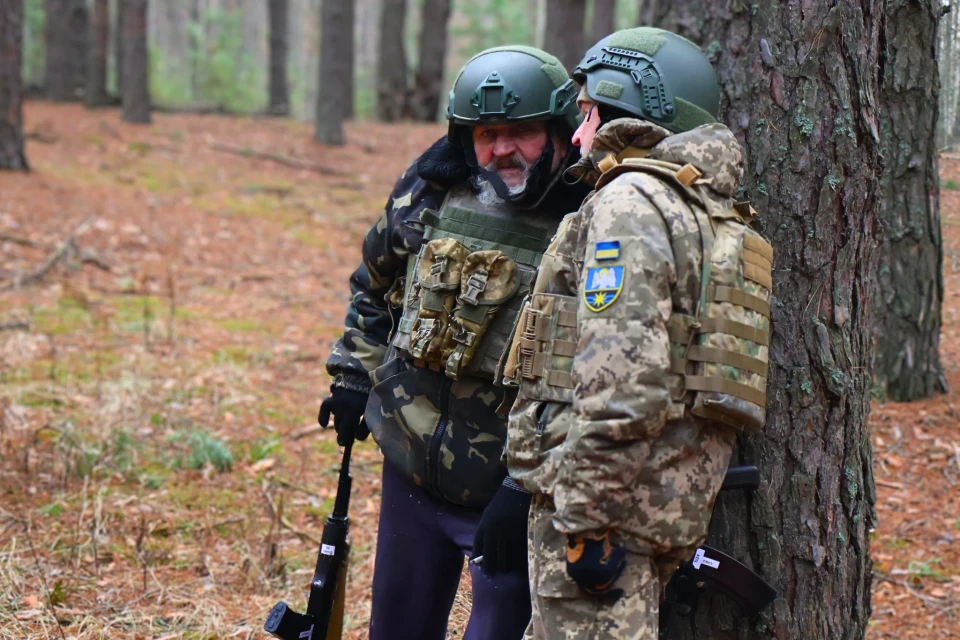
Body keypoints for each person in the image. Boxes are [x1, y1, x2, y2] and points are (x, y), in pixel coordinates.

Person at [502, 27, 773, 638]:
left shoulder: (629, 203)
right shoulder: (704, 211)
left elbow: (623, 382)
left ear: (631, 106)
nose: (576, 134)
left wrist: (588, 518)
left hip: (606, 516)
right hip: (656, 504)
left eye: (589, 114)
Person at [319, 46, 589, 640]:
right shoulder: (429, 190)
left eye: (522, 132)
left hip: (512, 492)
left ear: (560, 132)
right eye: (488, 133)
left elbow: (591, 377)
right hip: (410, 466)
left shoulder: (589, 217)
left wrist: (525, 488)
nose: (502, 150)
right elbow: (374, 286)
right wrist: (353, 376)